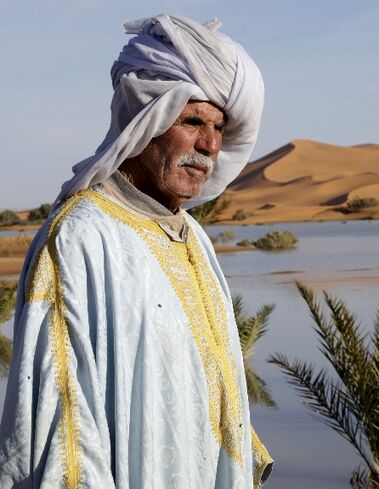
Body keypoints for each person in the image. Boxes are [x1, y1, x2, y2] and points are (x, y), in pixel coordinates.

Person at [0, 14, 271, 488]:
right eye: (192, 122)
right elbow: (63, 421)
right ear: (147, 121)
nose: (209, 145)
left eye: (218, 128)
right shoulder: (82, 237)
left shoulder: (192, 235)